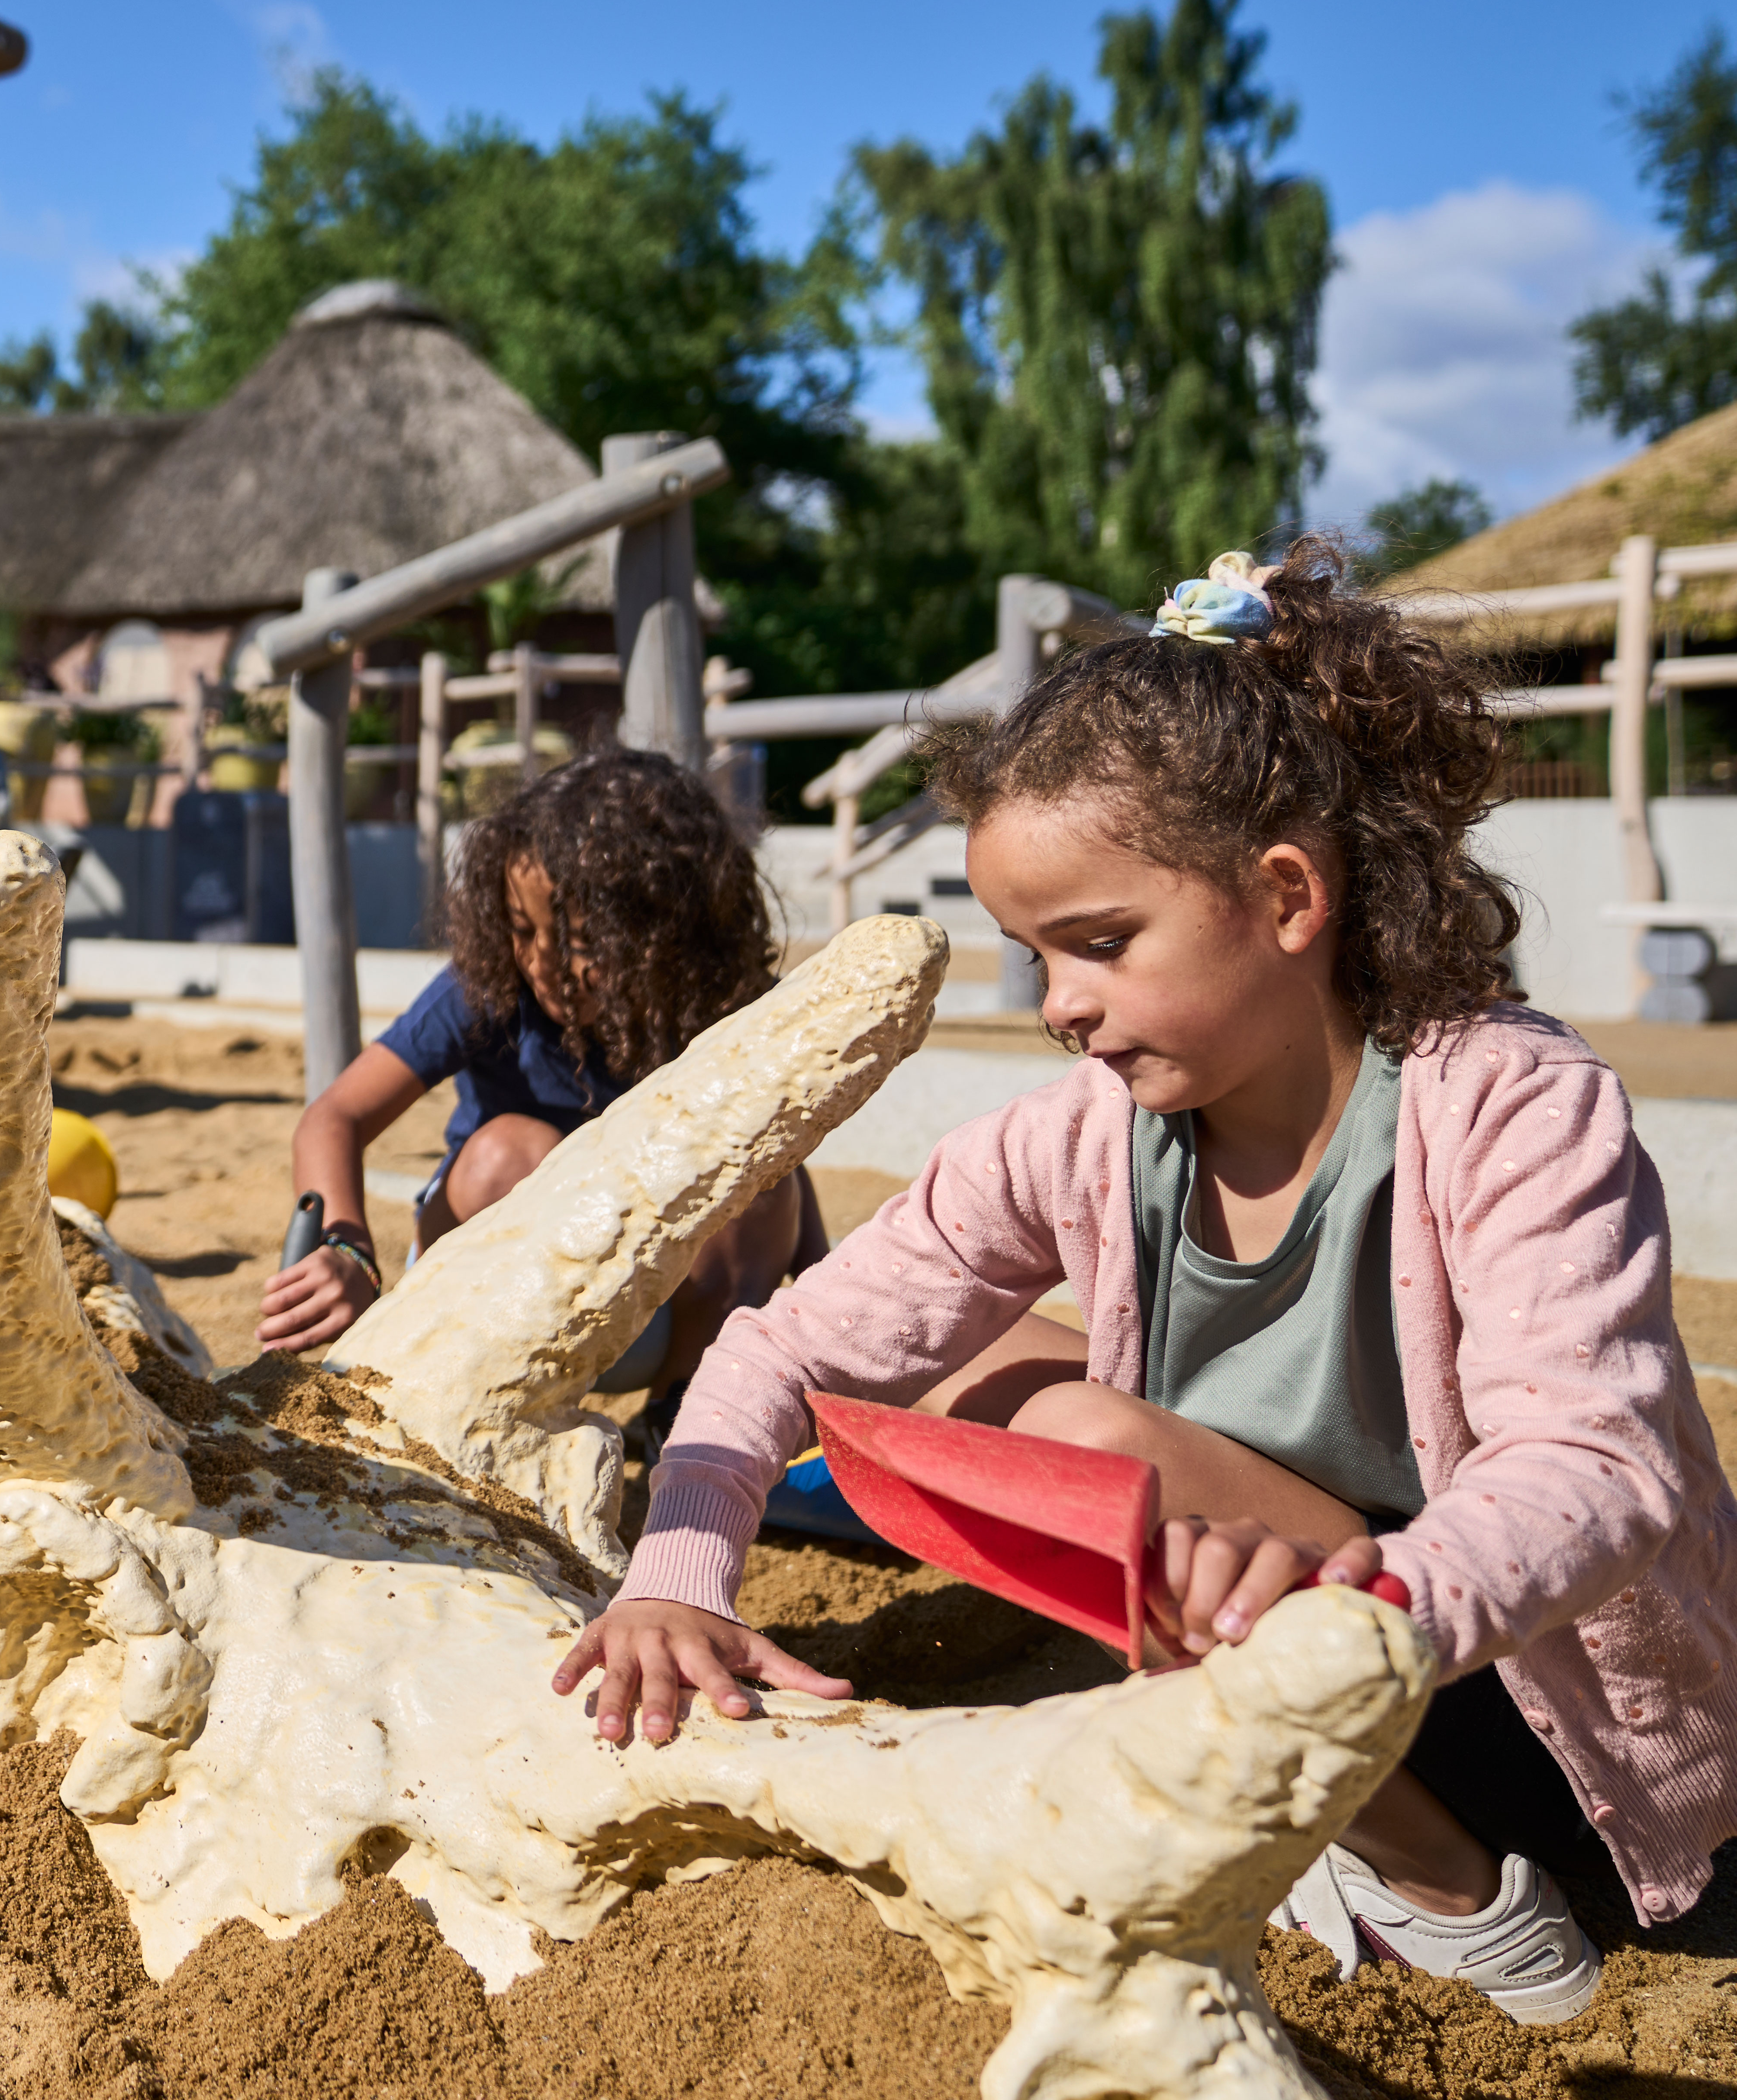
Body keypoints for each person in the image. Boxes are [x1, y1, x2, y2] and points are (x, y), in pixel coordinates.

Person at [554, 541, 1737, 2025]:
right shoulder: (1083, 1143)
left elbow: (1598, 1467)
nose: (1059, 1006)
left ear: (1288, 894)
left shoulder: (1507, 1105)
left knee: (1087, 1439)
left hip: (1531, 1728)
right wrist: (679, 1582)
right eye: (1033, 955)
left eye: (1100, 945)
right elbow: (782, 1350)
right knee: (975, 1380)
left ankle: (1452, 1900)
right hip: (1283, 1636)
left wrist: (1356, 1603)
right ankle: (1277, 1776)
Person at [257, 747, 816, 1368]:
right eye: (523, 930)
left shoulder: (719, 1007)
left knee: (764, 1180)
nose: (544, 964)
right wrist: (349, 1248)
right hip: (479, 1304)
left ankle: (684, 1420)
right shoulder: (488, 985)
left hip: (652, 1312)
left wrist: (825, 1305)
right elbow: (333, 1118)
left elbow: (782, 1156)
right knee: (510, 1152)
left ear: (667, 935)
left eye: (581, 941)